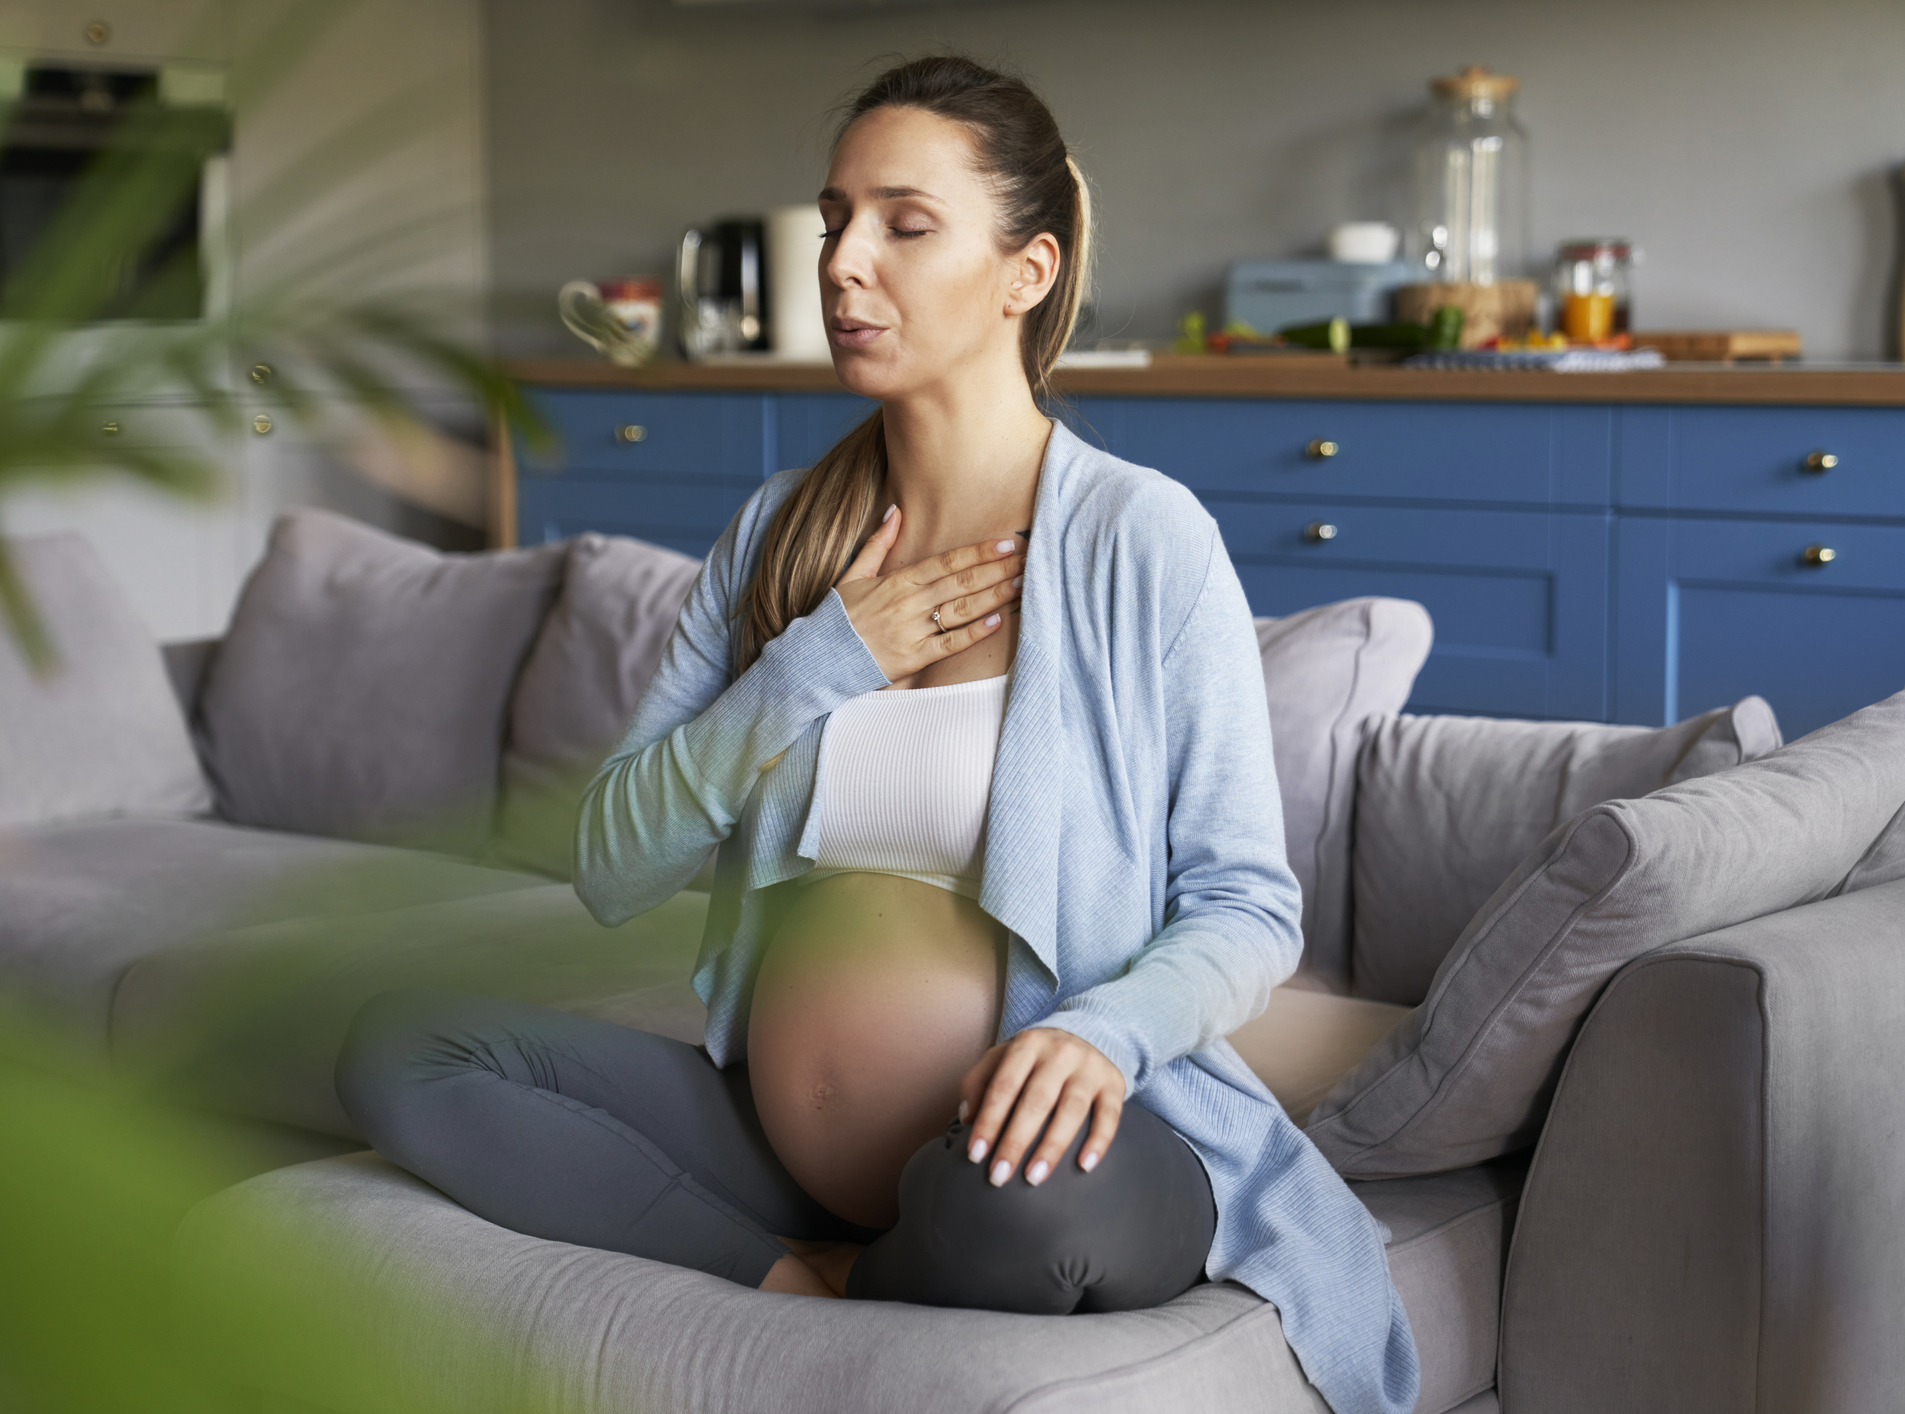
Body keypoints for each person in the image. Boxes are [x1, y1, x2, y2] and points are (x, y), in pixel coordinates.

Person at [335, 54, 1417, 1414]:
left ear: (1025, 270)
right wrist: (822, 660)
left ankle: (899, 1251)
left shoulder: (1143, 541)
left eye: (903, 225)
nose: (843, 262)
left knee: (1030, 1218)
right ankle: (798, 1278)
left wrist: (1104, 1037)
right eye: (833, 217)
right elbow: (613, 863)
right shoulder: (779, 535)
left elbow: (1247, 904)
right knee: (398, 1046)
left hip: (1055, 1140)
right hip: (775, 1147)